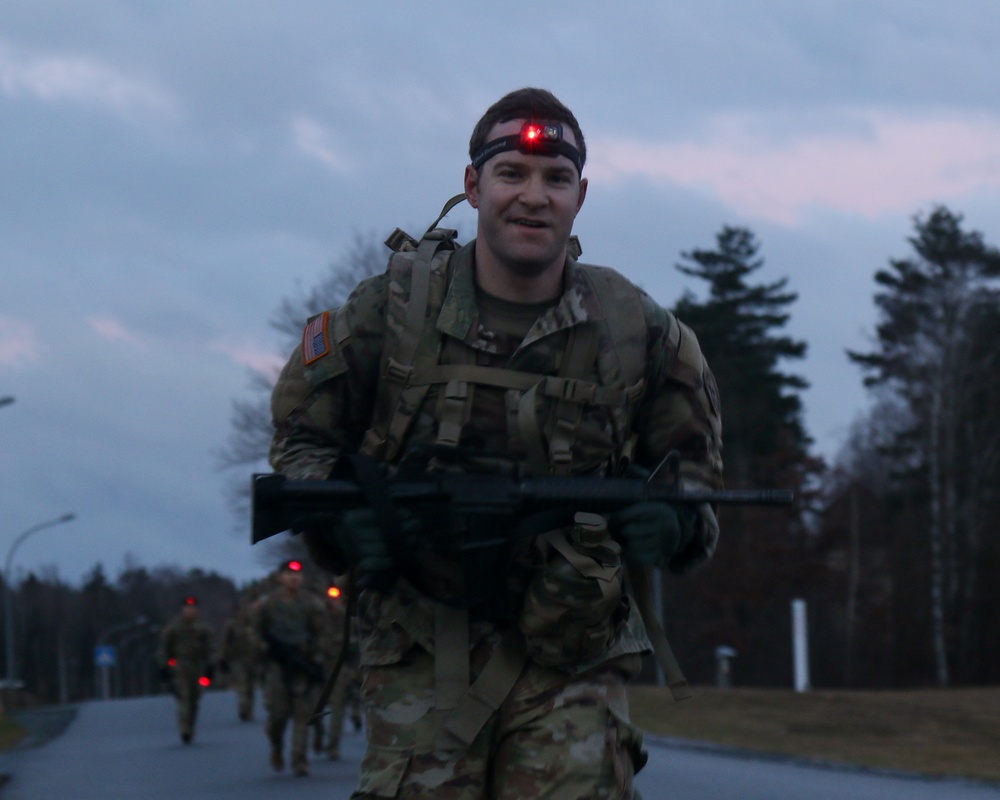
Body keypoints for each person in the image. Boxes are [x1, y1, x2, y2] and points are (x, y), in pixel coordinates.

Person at [268, 87, 723, 799]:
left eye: (556, 179)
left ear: (581, 196)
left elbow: (695, 474)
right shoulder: (389, 311)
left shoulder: (636, 328)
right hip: (422, 643)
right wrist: (343, 520)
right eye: (512, 173)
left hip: (572, 645)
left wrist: (675, 521)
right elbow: (301, 441)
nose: (533, 197)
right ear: (473, 185)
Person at [250, 560, 329, 777]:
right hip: (276, 666)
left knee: (302, 713)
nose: (293, 578)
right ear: (280, 577)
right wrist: (265, 649)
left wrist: (315, 655)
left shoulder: (311, 604)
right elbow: (254, 632)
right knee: (278, 714)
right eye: (288, 574)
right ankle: (276, 747)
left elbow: (321, 633)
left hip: (302, 664)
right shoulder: (268, 604)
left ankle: (299, 760)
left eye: (297, 574)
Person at [313, 578, 362, 760]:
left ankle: (332, 745)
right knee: (312, 706)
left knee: (338, 706)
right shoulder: (316, 615)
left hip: (340, 667)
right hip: (316, 666)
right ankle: (318, 735)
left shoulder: (349, 618)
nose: (333, 600)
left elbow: (359, 641)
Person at [157, 595, 215, 744]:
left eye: (192, 608)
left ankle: (190, 725)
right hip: (180, 667)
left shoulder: (203, 629)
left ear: (197, 610)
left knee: (194, 698)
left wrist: (211, 666)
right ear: (182, 610)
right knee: (183, 698)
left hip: (198, 667)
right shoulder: (173, 629)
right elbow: (164, 649)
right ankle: (184, 729)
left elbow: (211, 649)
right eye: (187, 608)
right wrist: (165, 667)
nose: (189, 611)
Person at [219, 589, 260, 721]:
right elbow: (226, 642)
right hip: (238, 659)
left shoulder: (255, 624)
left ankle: (249, 709)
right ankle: (243, 707)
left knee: (251, 684)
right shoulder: (232, 625)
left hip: (253, 658)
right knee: (242, 683)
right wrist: (223, 658)